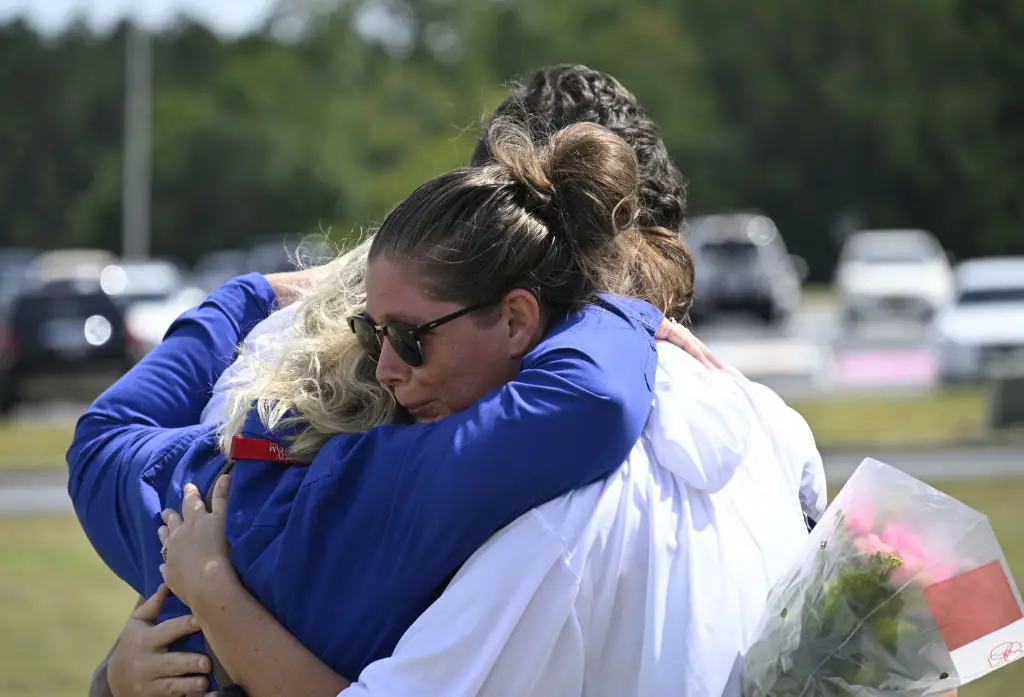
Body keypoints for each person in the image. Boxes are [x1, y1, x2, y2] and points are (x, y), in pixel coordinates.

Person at [73, 119, 714, 696]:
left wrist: (250, 295)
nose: (386, 367)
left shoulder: (404, 475)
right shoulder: (409, 477)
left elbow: (100, 440)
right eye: (372, 332)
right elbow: (593, 399)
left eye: (410, 338)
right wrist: (620, 311)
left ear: (519, 319)